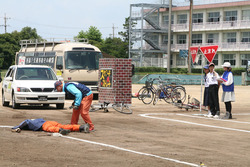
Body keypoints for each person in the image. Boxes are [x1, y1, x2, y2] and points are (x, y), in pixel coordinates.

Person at [11, 118, 89, 135]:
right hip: (49, 121)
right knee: (66, 126)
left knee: (50, 129)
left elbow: (25, 122)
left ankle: (60, 130)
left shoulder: (28, 122)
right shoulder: (35, 119)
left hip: (44, 125)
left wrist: (19, 127)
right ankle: (81, 127)